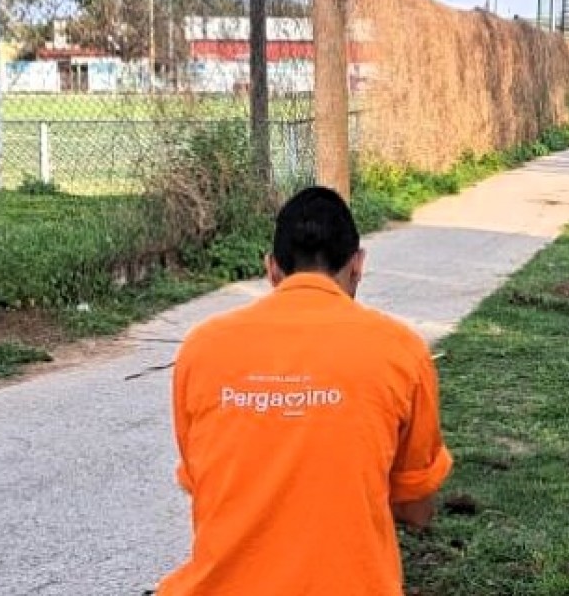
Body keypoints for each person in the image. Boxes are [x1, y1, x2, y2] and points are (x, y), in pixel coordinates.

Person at [157, 186, 452, 596]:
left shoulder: (202, 347)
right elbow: (415, 507)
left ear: (272, 269)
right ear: (358, 266)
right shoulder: (400, 350)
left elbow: (201, 482)